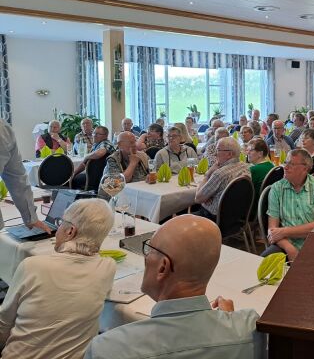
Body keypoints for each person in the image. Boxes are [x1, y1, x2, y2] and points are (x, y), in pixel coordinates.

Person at [84, 215, 265, 358]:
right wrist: (231, 321)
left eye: (149, 250)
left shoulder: (107, 349)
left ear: (163, 267)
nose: (146, 258)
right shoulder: (251, 329)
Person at [0, 199, 115, 359]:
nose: (57, 228)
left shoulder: (32, 266)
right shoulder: (108, 267)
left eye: (61, 222)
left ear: (70, 231)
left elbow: (3, 325)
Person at [263, 150, 314, 261]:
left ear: (305, 168)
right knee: (262, 264)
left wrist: (284, 231)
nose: (285, 167)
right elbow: (272, 230)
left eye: (291, 164)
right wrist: (289, 248)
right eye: (286, 163)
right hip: (286, 243)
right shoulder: (277, 188)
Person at [0, 120, 51, 232]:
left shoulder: (2, 130)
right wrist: (30, 217)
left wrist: (31, 218)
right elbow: (16, 177)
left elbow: (16, 177)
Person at [194, 137, 250, 222]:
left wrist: (207, 174)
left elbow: (198, 199)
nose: (215, 154)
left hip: (214, 220)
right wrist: (211, 196)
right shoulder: (247, 167)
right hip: (237, 218)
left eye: (218, 150)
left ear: (229, 154)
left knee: (179, 218)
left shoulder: (220, 174)